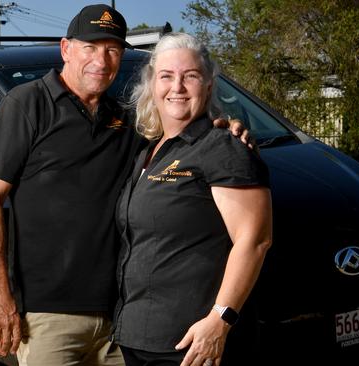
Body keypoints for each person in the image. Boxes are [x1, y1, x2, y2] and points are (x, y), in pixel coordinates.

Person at [0, 5, 252, 365]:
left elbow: (180, 136)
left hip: (122, 317)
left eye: (113, 50)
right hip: (49, 317)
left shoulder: (127, 120)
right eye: (90, 47)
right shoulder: (27, 104)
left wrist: (226, 128)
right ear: (66, 49)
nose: (101, 61)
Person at [112, 33, 273, 366]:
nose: (178, 87)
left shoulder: (223, 147)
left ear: (209, 86)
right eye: (167, 77)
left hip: (194, 345)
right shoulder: (149, 151)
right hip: (141, 339)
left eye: (191, 77)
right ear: (152, 86)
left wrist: (220, 320)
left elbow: (255, 241)